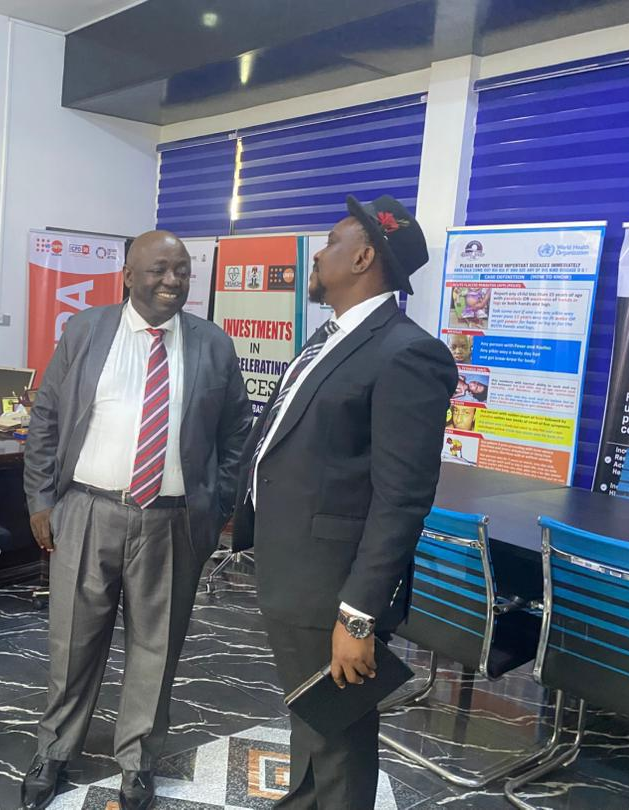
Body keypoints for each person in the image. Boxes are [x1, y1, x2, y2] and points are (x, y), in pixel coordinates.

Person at [232, 195, 456, 809]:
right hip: (292, 569)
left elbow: (402, 498)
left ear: (362, 258)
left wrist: (357, 615)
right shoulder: (333, 337)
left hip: (334, 587)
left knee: (341, 737)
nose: (318, 254)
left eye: (332, 242)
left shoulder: (407, 353)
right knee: (314, 721)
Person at [20, 230, 251, 810]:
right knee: (72, 643)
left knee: (157, 648)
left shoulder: (213, 345)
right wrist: (41, 500)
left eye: (182, 271)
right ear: (127, 275)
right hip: (87, 511)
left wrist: (215, 508)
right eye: (158, 269)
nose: (172, 281)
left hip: (172, 522)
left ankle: (138, 762)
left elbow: (236, 437)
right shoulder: (86, 330)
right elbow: (46, 418)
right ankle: (54, 748)